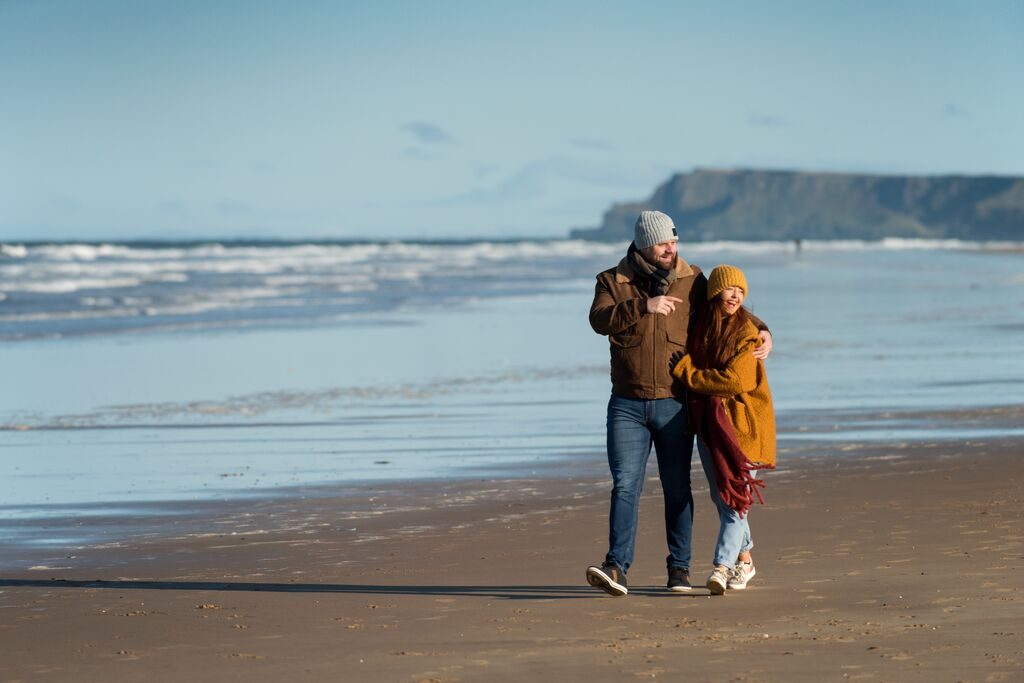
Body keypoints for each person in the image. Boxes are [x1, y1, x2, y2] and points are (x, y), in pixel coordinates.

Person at [585, 212, 771, 597]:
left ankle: (679, 571)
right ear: (643, 244)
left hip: (675, 403)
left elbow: (728, 305)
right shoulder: (612, 280)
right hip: (626, 405)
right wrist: (643, 307)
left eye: (674, 242)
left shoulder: (692, 279)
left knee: (677, 488)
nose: (671, 249)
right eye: (663, 244)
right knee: (625, 486)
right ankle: (616, 568)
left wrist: (764, 329)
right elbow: (599, 320)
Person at [671, 265, 776, 595]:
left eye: (741, 292)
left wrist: (689, 373)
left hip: (740, 428)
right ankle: (745, 560)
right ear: (715, 292)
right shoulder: (703, 325)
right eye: (729, 290)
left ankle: (721, 567)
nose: (735, 296)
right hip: (709, 424)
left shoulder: (746, 332)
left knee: (734, 502)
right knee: (722, 499)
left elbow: (735, 380)